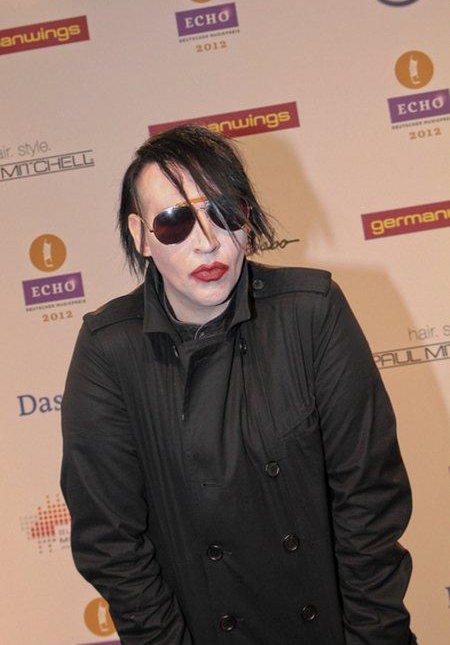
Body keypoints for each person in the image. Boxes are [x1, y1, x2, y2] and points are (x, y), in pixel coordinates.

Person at [60, 125, 416, 645]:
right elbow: (110, 544)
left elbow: (369, 503)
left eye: (225, 213)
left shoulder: (311, 312)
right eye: (175, 222)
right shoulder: (108, 350)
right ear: (141, 236)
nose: (208, 242)